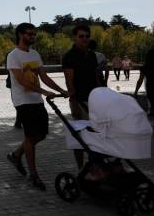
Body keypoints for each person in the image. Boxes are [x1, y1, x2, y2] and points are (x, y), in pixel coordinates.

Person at [6, 23, 68, 190]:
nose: (32, 36)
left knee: (40, 135)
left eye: (34, 34)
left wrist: (61, 90)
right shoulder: (13, 56)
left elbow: (44, 76)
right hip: (23, 102)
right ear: (20, 34)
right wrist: (44, 91)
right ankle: (34, 175)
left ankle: (16, 155)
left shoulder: (34, 54)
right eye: (29, 34)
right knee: (31, 137)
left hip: (37, 100)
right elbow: (21, 80)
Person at [62, 24, 101, 169]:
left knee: (96, 133)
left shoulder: (91, 54)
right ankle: (81, 168)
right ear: (74, 38)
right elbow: (69, 81)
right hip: (80, 100)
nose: (84, 39)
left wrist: (100, 95)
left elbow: (95, 76)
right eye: (81, 36)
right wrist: (73, 102)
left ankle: (95, 164)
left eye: (87, 36)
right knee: (80, 136)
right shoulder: (69, 56)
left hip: (94, 99)